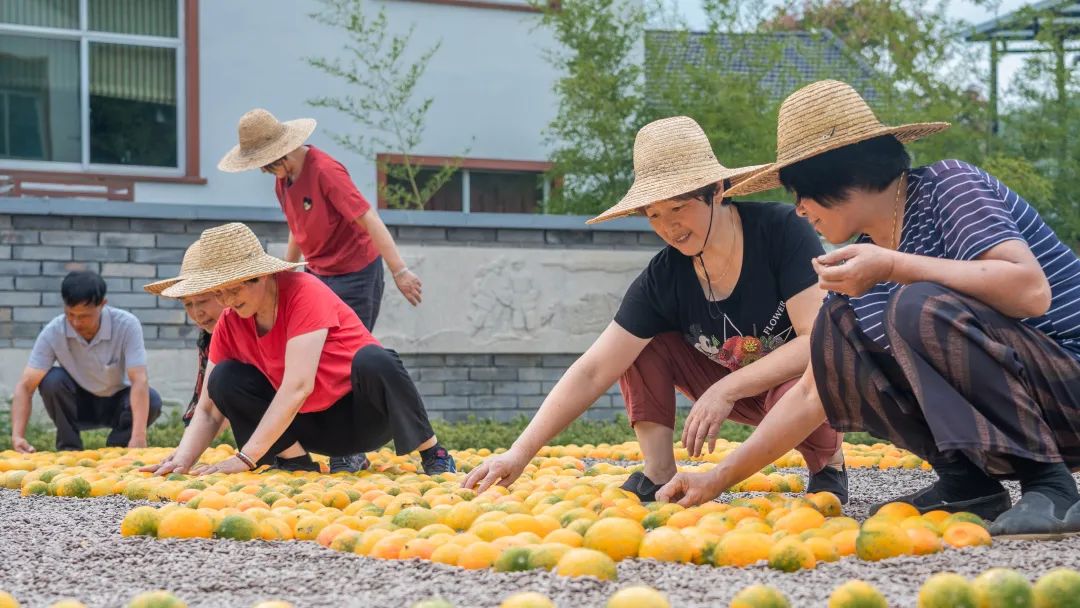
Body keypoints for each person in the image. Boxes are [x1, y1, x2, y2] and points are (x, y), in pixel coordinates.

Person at [657, 80, 1080, 539]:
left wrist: (896, 267)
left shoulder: (949, 186)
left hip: (1065, 385)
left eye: (802, 193)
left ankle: (1052, 488)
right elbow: (809, 393)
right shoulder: (864, 259)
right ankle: (968, 484)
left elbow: (1030, 291)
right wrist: (715, 480)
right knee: (834, 328)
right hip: (1028, 399)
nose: (799, 211)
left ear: (840, 178)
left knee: (916, 304)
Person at [463, 116, 846, 502]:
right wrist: (519, 452)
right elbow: (595, 368)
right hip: (731, 389)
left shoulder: (781, 231)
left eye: (678, 207)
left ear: (716, 190)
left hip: (800, 390)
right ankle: (658, 470)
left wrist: (726, 388)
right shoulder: (665, 276)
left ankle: (827, 463)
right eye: (654, 214)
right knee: (639, 342)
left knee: (809, 374)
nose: (668, 227)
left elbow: (815, 341)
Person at [142, 223, 454, 476]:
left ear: (261, 276)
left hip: (363, 417)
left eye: (234, 289)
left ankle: (434, 453)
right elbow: (209, 409)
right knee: (224, 377)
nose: (226, 302)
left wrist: (246, 457)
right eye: (219, 293)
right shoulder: (229, 321)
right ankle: (295, 463)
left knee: (376, 359)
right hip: (308, 427)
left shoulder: (304, 292)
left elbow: (298, 385)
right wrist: (182, 460)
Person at [218, 108, 421, 331]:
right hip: (316, 273)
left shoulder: (325, 171)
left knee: (350, 350)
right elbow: (297, 227)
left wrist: (400, 271)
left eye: (266, 164)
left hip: (354, 273)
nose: (264, 170)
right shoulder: (283, 179)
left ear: (280, 154)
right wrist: (288, 272)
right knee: (313, 343)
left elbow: (369, 217)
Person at [10, 271, 162, 452]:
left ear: (103, 304)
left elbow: (139, 379)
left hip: (118, 404)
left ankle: (119, 448)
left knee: (151, 399)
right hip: (78, 405)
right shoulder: (54, 331)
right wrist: (17, 436)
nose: (75, 322)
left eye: (84, 316)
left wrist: (139, 436)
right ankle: (68, 448)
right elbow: (25, 386)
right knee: (52, 380)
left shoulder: (127, 325)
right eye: (70, 314)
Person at [144, 240, 225, 427]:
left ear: (227, 293)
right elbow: (203, 397)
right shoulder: (208, 337)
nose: (197, 313)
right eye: (188, 304)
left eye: (203, 300)